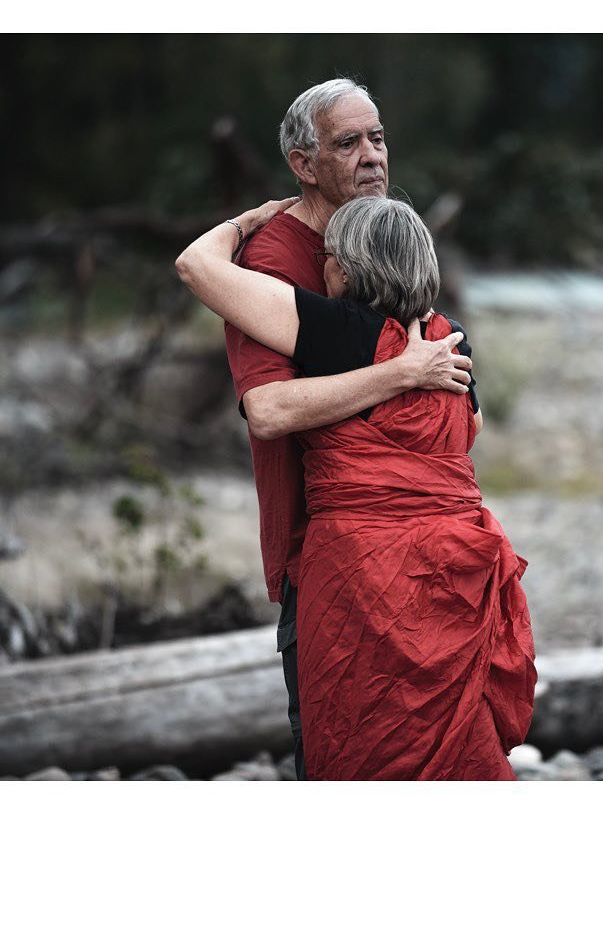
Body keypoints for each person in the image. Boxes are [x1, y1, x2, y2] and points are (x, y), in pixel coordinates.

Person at [177, 196, 537, 779]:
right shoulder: (450, 339)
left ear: (348, 267)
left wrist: (250, 221)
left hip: (362, 571)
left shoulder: (336, 332)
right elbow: (470, 428)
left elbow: (197, 264)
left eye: (330, 257)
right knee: (455, 743)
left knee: (360, 731)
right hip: (454, 567)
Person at [218, 78, 475, 779]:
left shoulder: (382, 240)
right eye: (348, 142)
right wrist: (405, 375)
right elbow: (268, 408)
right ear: (303, 164)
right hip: (327, 556)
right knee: (348, 743)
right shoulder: (274, 263)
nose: (372, 157)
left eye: (378, 137)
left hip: (422, 554)